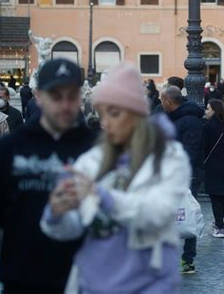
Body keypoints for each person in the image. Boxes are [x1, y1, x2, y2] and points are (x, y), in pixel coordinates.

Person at [40, 63, 190, 294]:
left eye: (114, 112)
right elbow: (74, 229)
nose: (106, 122)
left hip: (149, 283)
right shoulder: (92, 160)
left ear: (136, 114)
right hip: (92, 283)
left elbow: (158, 213)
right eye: (102, 113)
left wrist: (104, 197)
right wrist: (56, 214)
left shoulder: (168, 157)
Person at [0, 59, 96, 293]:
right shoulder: (9, 148)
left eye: (72, 96)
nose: (65, 105)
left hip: (85, 281)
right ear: (38, 96)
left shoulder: (96, 150)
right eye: (56, 96)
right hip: (22, 280)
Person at [160, 85, 204, 274]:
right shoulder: (172, 118)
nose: (160, 104)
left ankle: (187, 259)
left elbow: (191, 150)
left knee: (186, 212)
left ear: (169, 101)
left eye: (162, 101)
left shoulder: (190, 121)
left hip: (187, 175)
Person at [203, 100, 224, 238]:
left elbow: (204, 148)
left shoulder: (207, 127)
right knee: (220, 196)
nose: (206, 111)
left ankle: (220, 227)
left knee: (215, 197)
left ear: (214, 111)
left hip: (212, 165)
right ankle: (218, 222)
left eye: (208, 109)